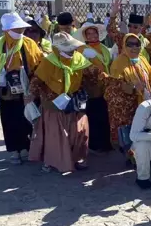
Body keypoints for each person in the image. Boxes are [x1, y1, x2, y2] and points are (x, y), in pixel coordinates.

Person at [27, 33, 100, 173]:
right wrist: (30, 96)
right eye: (68, 48)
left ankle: (78, 158)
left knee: (79, 132)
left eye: (73, 48)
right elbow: (36, 82)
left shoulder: (79, 59)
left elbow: (94, 73)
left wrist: (106, 76)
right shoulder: (48, 62)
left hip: (74, 102)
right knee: (55, 136)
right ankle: (51, 162)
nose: (72, 51)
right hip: (54, 105)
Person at [0, 13, 43, 165]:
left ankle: (27, 147)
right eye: (16, 29)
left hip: (27, 88)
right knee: (10, 119)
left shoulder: (30, 43)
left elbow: (39, 65)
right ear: (6, 30)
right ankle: (14, 150)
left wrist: (33, 88)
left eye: (21, 28)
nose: (19, 31)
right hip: (7, 91)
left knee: (27, 119)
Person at [105, 34, 151, 147]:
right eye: (130, 44)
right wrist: (133, 88)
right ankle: (132, 157)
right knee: (131, 133)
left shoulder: (141, 58)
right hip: (127, 107)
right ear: (124, 46)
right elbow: (114, 85)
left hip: (143, 101)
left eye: (137, 44)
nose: (134, 47)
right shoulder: (119, 63)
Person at [73, 21, 113, 152]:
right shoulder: (81, 49)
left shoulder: (104, 48)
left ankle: (106, 143)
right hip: (92, 88)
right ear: (85, 36)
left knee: (105, 115)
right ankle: (95, 145)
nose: (92, 36)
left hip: (106, 86)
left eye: (94, 32)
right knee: (95, 116)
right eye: (88, 34)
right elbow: (81, 68)